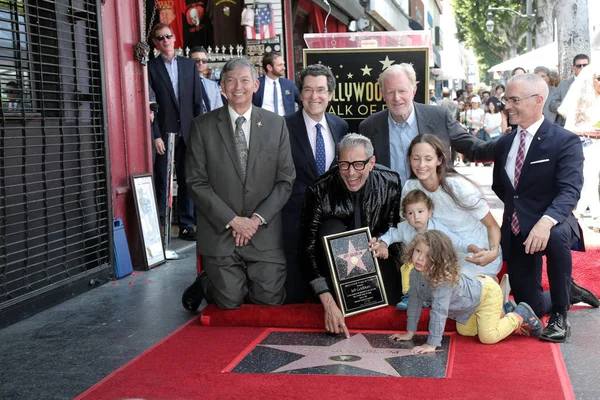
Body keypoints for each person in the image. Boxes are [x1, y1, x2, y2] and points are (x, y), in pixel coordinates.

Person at [181, 58, 296, 311]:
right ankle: (207, 281)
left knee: (270, 299)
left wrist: (254, 220)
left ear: (256, 85)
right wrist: (234, 220)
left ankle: (240, 279)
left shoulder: (276, 125)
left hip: (262, 232)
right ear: (221, 86)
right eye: (231, 81)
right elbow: (196, 182)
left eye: (245, 80)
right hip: (221, 232)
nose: (238, 87)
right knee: (229, 300)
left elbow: (286, 180)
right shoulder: (202, 127)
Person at [492, 73, 598, 343]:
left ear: (538, 100)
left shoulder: (564, 141)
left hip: (555, 221)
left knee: (555, 235)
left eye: (514, 99)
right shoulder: (504, 143)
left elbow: (570, 190)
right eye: (507, 99)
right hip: (517, 229)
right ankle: (568, 291)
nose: (507, 105)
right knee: (532, 307)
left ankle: (561, 314)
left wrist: (545, 220)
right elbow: (500, 187)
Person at [300, 133, 402, 338]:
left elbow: (394, 231)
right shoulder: (319, 189)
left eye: (358, 164)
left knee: (389, 310)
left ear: (372, 162)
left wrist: (382, 243)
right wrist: (326, 299)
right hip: (332, 271)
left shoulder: (390, 182)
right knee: (331, 228)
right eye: (344, 165)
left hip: (375, 264)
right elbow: (306, 247)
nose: (351, 173)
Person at [389, 230, 543, 354]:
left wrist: (432, 343)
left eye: (428, 255)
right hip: (471, 303)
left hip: (487, 293)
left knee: (488, 337)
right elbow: (414, 302)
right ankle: (504, 311)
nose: (420, 258)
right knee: (466, 331)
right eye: (417, 251)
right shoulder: (415, 274)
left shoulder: (442, 280)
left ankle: (519, 315)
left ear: (439, 259)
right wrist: (409, 333)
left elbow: (439, 312)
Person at [359, 63, 494, 186]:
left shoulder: (439, 118)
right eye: (390, 92)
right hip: (388, 208)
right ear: (382, 94)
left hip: (434, 205)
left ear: (414, 90)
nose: (396, 98)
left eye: (402, 91)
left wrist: (506, 145)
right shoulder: (369, 127)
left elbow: (473, 148)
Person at [282, 64, 348, 303]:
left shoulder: (340, 126)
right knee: (298, 298)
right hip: (294, 219)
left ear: (330, 94)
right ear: (300, 94)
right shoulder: (282, 126)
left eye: (321, 90)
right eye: (308, 90)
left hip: (330, 218)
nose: (314, 96)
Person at [402, 134, 503, 278]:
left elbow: (492, 225)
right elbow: (405, 226)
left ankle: (496, 290)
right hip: (438, 258)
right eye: (416, 159)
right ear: (409, 160)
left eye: (428, 159)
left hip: (475, 257)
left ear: (439, 160)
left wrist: (492, 252)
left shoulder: (458, 187)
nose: (421, 165)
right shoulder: (410, 187)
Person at [369, 189, 479, 309]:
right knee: (407, 268)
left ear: (430, 212)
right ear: (405, 216)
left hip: (435, 265)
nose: (416, 217)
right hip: (416, 266)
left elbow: (456, 240)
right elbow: (391, 234)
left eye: (420, 211)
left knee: (443, 274)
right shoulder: (404, 228)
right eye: (410, 213)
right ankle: (409, 296)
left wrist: (471, 248)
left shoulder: (437, 228)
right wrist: (384, 244)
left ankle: (431, 298)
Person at [148, 23, 203, 241]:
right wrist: (156, 135)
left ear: (174, 38)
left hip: (188, 132)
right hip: (165, 133)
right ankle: (161, 225)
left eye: (168, 36)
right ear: (155, 43)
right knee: (162, 178)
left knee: (188, 179)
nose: (165, 40)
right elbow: (150, 104)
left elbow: (197, 102)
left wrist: (198, 134)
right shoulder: (150, 67)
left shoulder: (189, 65)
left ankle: (187, 225)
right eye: (160, 38)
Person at [557, 62, 600, 232]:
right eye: (599, 78)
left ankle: (580, 211)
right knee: (590, 178)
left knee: (590, 180)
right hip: (584, 145)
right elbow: (569, 129)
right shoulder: (579, 103)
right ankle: (597, 216)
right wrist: (589, 131)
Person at [252, 52, 300, 116]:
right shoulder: (257, 84)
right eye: (280, 65)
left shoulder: (288, 84)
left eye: (283, 64)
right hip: (263, 123)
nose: (284, 68)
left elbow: (302, 101)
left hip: (285, 123)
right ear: (269, 67)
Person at [550, 54, 589, 127]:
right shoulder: (563, 85)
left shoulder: (596, 84)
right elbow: (552, 105)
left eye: (585, 65)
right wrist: (568, 107)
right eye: (579, 66)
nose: (582, 68)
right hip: (567, 127)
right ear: (574, 67)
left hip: (591, 127)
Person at [190, 46, 223, 112]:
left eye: (204, 60)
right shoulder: (184, 84)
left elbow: (219, 109)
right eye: (197, 60)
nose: (200, 63)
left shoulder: (213, 85)